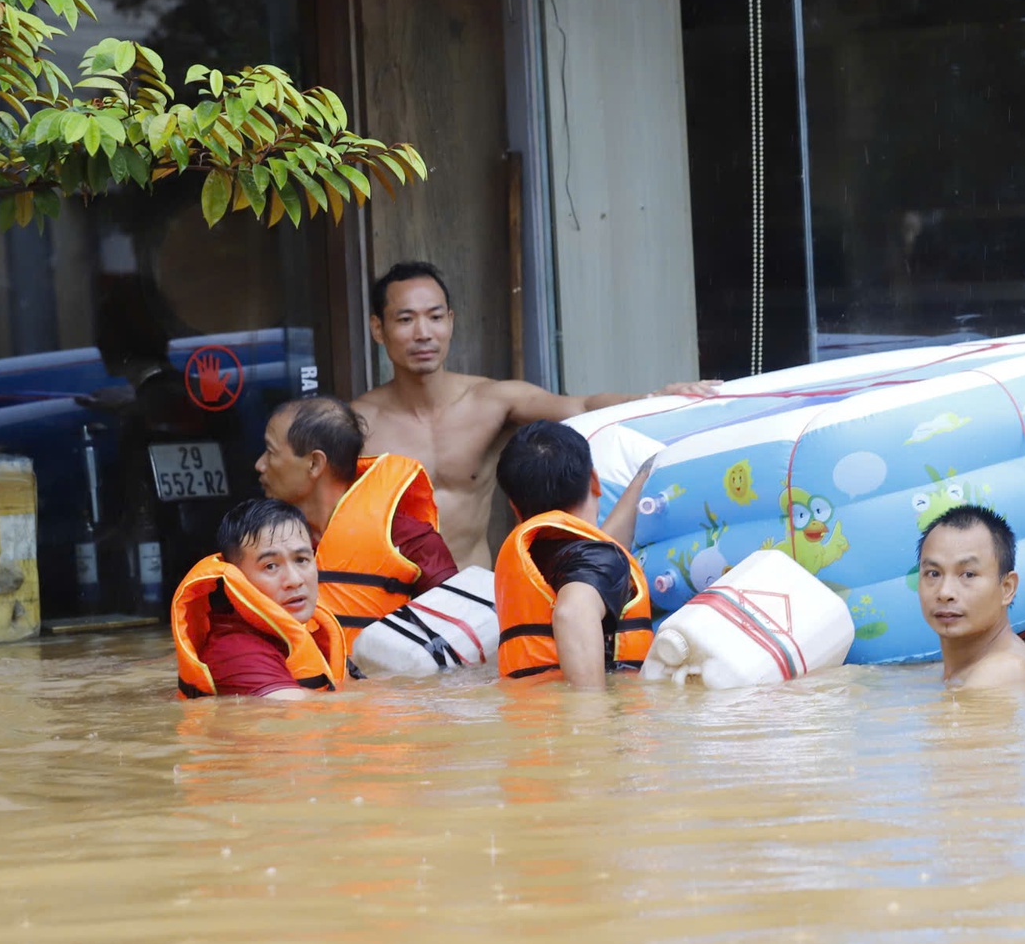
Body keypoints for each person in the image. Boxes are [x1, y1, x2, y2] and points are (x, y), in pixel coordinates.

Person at [352, 260, 720, 569]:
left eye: (434, 317)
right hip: (394, 605)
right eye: (405, 320)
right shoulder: (359, 423)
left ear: (450, 320)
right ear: (377, 329)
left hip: (475, 596)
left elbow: (581, 405)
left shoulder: (490, 401)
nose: (423, 333)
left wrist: (652, 397)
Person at [254, 396, 456, 658]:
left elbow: (462, 645)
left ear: (314, 464)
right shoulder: (260, 543)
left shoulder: (407, 540)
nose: (259, 465)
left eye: (270, 452)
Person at [492, 421, 656, 685]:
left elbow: (597, 561)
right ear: (594, 480)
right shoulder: (594, 560)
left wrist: (642, 481)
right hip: (583, 720)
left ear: (514, 507)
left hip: (527, 717)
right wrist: (589, 717)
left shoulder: (537, 555)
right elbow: (572, 612)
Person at [169, 498, 345, 699]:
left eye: (301, 560)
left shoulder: (305, 631)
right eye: (270, 566)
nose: (295, 580)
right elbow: (302, 716)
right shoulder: (235, 652)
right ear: (237, 577)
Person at [917, 505, 1025, 688]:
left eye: (968, 574)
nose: (945, 592)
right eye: (933, 573)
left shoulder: (1001, 672)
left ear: (1007, 588)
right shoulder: (964, 671)